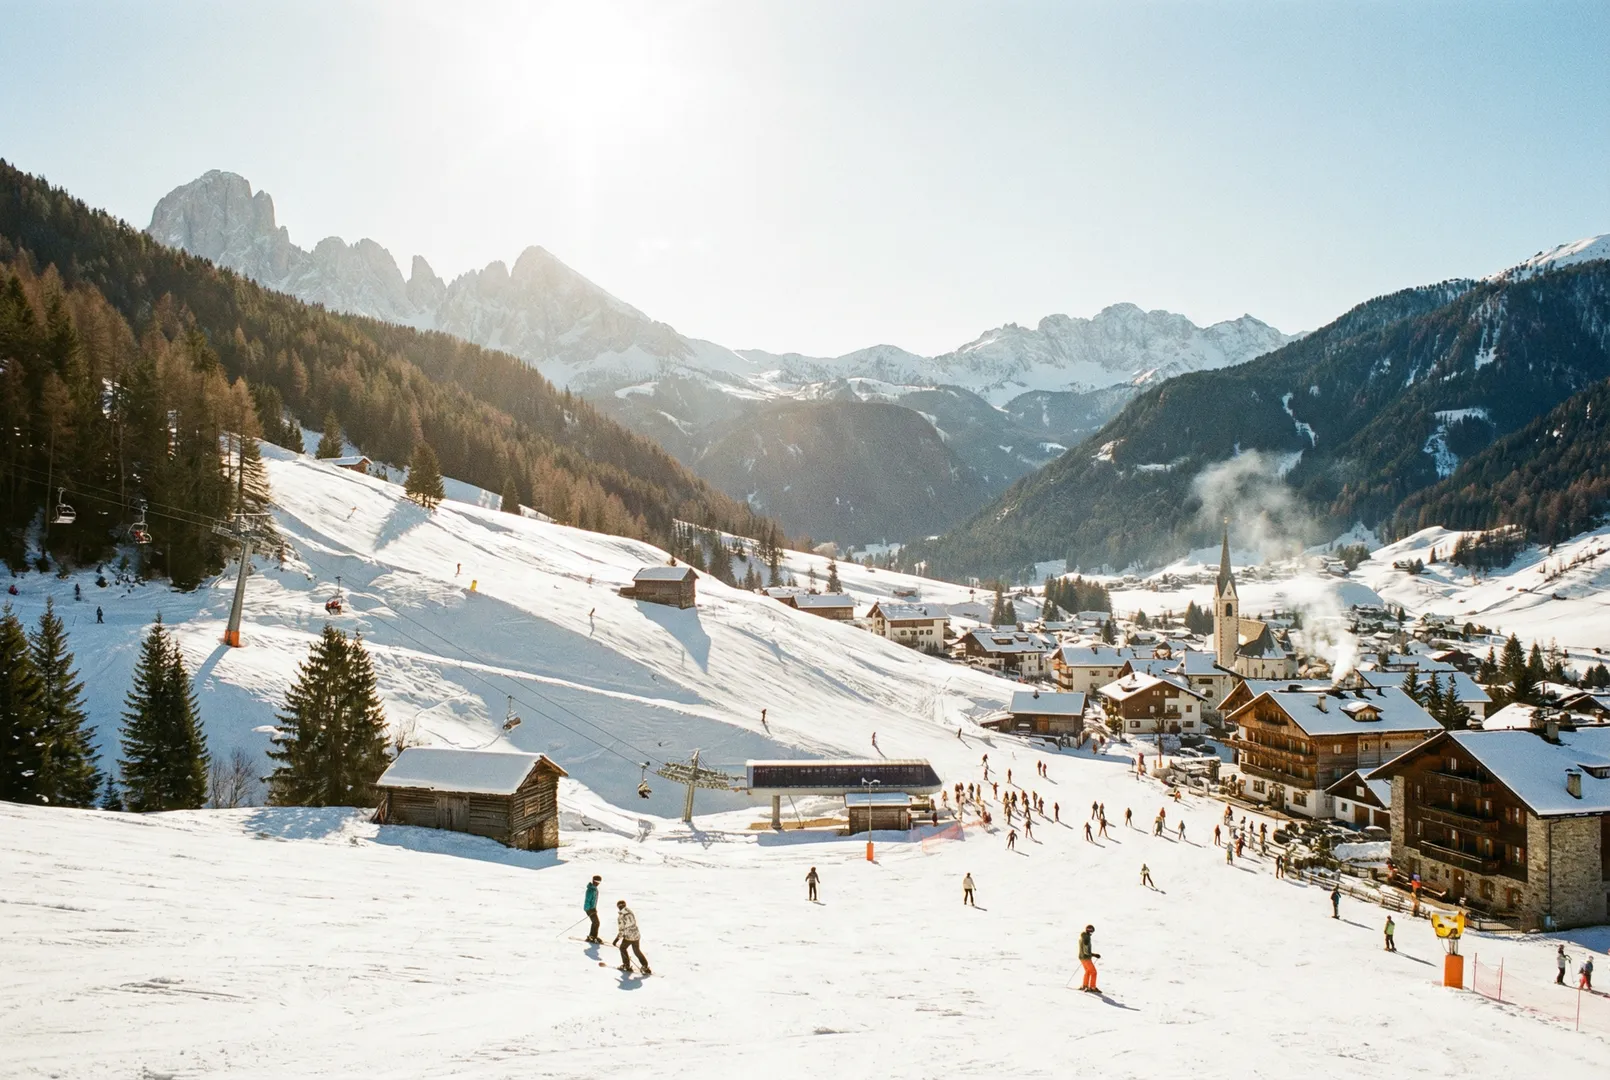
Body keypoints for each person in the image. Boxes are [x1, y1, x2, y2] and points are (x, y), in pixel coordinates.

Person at [613, 900, 650, 975]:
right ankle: (645, 966)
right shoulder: (630, 911)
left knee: (622, 948)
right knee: (636, 951)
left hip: (629, 937)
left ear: (618, 907)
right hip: (636, 935)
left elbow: (622, 930)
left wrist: (616, 940)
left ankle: (626, 965)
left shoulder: (621, 917)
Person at [1078, 924, 1101, 993]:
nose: (1091, 933)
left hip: (1081, 957)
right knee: (1093, 972)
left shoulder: (1082, 936)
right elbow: (1086, 951)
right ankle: (1092, 987)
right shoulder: (1086, 938)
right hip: (1086, 958)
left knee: (1088, 971)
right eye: (1091, 931)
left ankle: (1085, 985)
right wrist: (1094, 955)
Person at [583, 875, 602, 943]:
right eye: (597, 881)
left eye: (599, 882)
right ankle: (592, 936)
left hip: (592, 909)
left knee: (596, 922)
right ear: (593, 881)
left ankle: (593, 936)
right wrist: (590, 910)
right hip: (589, 909)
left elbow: (593, 901)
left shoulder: (594, 889)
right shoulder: (590, 890)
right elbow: (587, 901)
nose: (598, 883)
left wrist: (594, 908)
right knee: (596, 922)